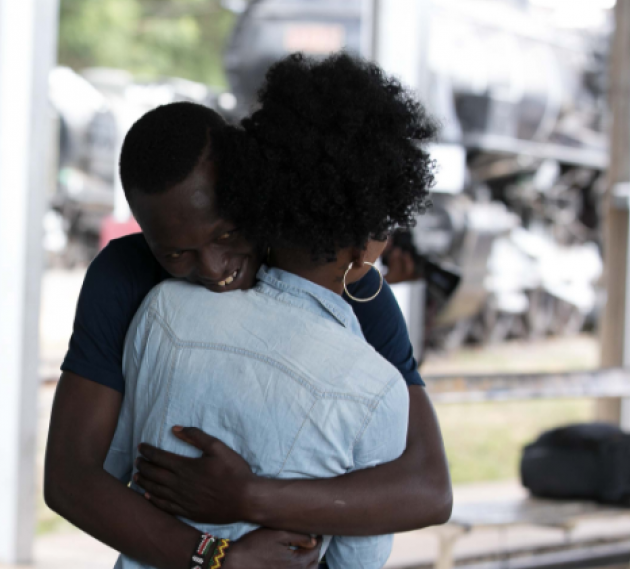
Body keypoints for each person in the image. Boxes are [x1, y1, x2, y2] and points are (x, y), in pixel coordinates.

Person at [43, 65, 451, 569]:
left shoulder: (358, 292)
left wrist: (249, 497)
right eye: (175, 254)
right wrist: (216, 559)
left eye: (226, 234)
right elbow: (69, 479)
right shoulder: (125, 277)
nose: (213, 270)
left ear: (255, 195)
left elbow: (428, 487)